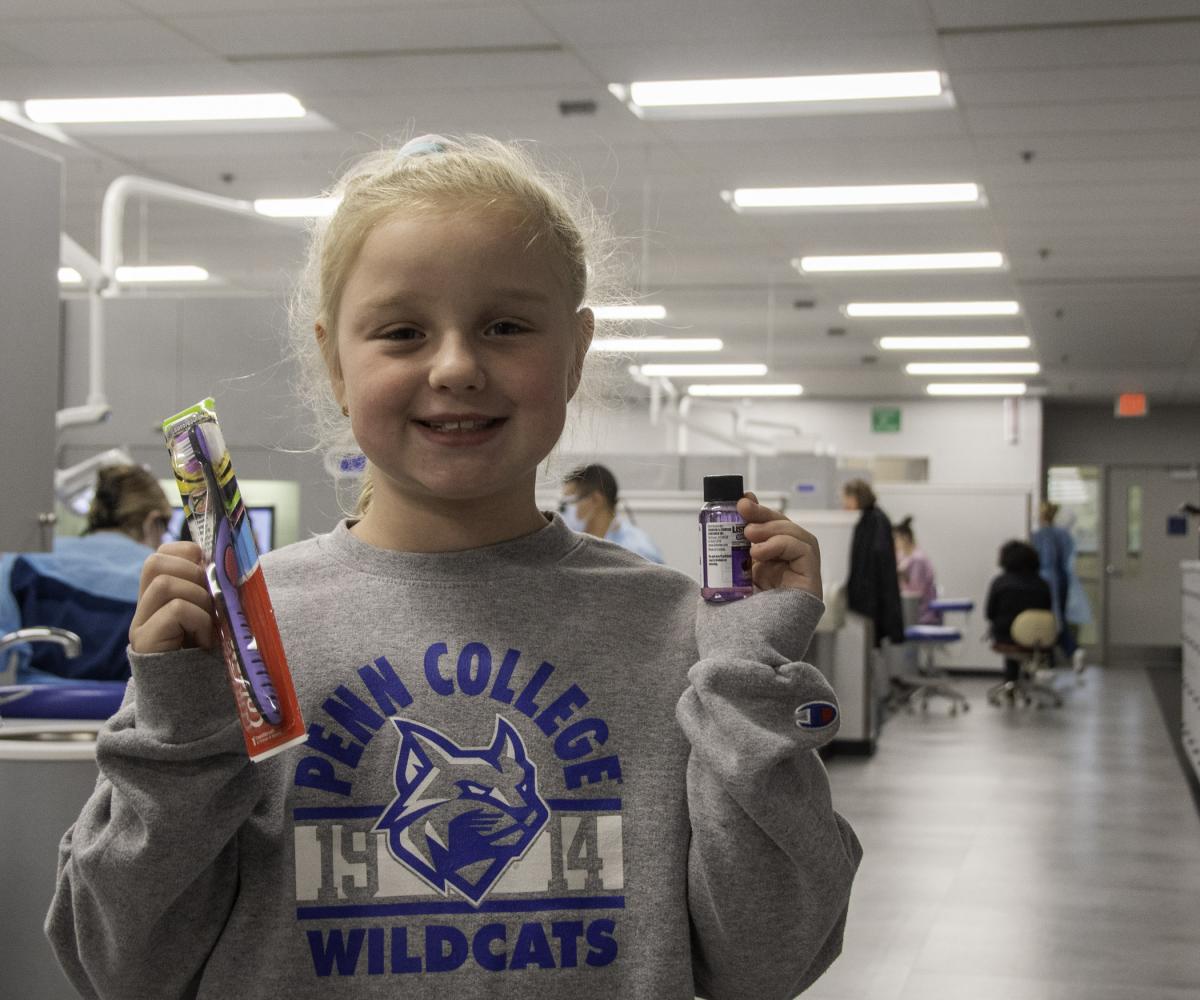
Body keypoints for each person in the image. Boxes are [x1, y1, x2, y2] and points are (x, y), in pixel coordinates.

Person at [48, 134, 861, 999]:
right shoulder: (241, 634)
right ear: (334, 360)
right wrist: (180, 731)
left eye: (505, 327)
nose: (457, 367)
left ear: (576, 349)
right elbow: (122, 966)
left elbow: (767, 962)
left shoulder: (679, 634)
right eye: (401, 332)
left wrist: (750, 676)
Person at [0, 464, 172, 683]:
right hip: (125, 711)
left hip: (35, 709)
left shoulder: (24, 562)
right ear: (153, 522)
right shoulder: (161, 579)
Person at [841, 478, 905, 648]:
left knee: (872, 645)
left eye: (846, 498)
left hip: (873, 597)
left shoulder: (873, 522)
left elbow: (873, 564)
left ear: (856, 497)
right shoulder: (875, 519)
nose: (844, 504)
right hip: (875, 596)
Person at [559, 463, 665, 563]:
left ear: (596, 500)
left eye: (570, 502)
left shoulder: (638, 552)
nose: (564, 511)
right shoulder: (575, 547)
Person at [985, 540, 1053, 684]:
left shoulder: (1000, 583)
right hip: (1039, 640)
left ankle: (1011, 684)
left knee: (1011, 634)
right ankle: (1025, 683)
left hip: (1006, 638)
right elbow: (1047, 611)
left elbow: (990, 613)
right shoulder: (1043, 584)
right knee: (1022, 636)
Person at [1031, 501, 1087, 673]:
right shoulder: (1063, 535)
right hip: (1062, 580)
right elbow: (1069, 558)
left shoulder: (1038, 535)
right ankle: (1071, 651)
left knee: (1046, 620)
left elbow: (1038, 559)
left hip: (1043, 581)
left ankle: (1049, 659)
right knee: (1058, 618)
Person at [893, 515, 941, 626]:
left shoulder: (917, 559)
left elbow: (915, 591)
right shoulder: (903, 556)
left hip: (921, 613)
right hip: (910, 610)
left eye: (895, 539)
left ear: (905, 538)